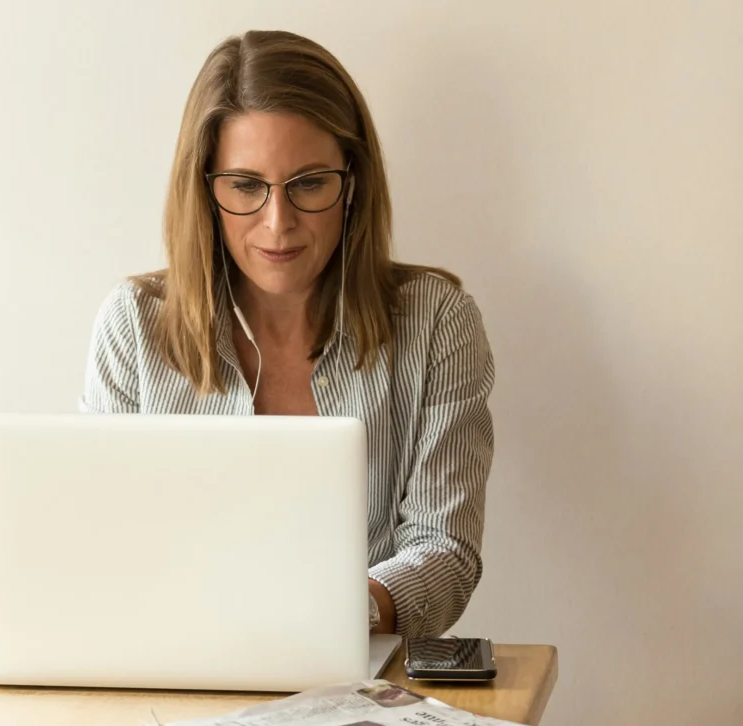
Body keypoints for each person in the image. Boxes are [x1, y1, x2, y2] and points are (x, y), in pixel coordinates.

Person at [79, 29, 494, 638]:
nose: (278, 224)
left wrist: (329, 616)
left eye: (308, 184)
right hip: (174, 669)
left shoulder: (437, 321)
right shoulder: (133, 325)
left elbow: (446, 552)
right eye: (246, 186)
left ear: (351, 182)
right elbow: (101, 546)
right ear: (205, 190)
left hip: (359, 678)